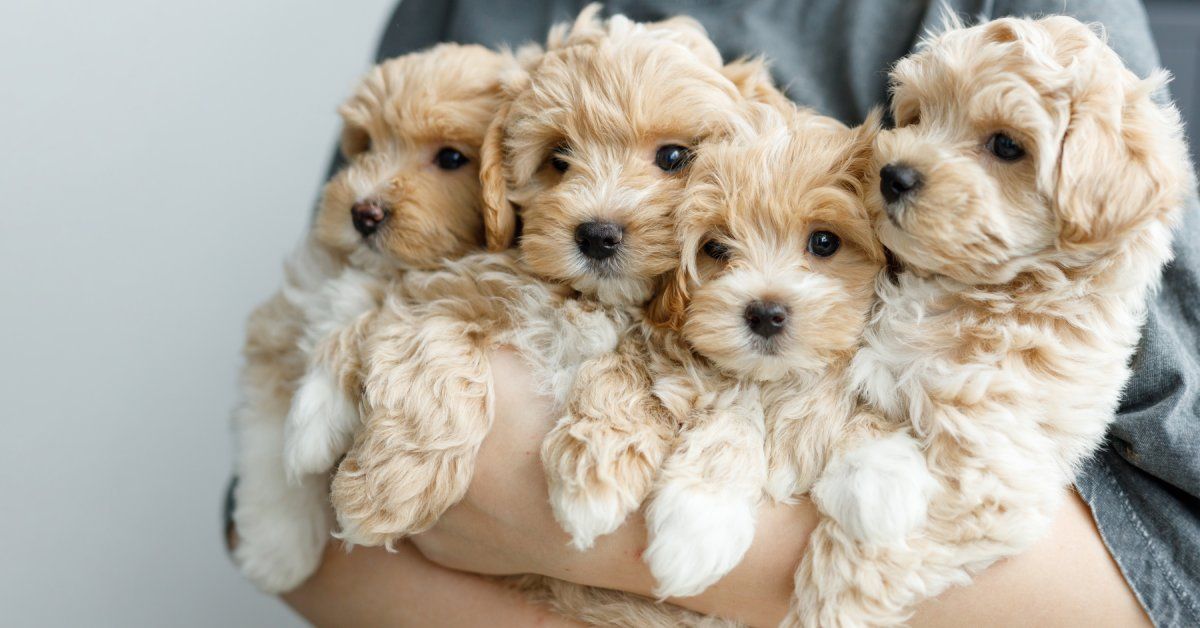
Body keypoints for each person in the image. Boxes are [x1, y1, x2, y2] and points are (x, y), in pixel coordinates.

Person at [227, 1, 1200, 626]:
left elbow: (1174, 566)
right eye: (559, 162)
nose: (607, 206)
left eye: (674, 161)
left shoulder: (1013, 34)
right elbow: (277, 519)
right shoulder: (467, 16)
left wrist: (537, 514)